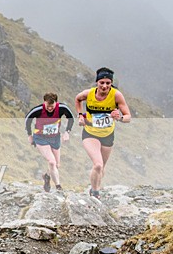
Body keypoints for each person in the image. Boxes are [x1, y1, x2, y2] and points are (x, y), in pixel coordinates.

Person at [74, 67, 132, 199]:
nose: (105, 86)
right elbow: (78, 99)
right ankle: (95, 193)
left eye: (108, 83)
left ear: (111, 84)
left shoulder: (116, 95)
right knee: (98, 164)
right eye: (102, 83)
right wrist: (80, 115)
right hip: (90, 133)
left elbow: (128, 117)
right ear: (97, 83)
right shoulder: (89, 93)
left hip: (107, 135)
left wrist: (120, 118)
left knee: (101, 168)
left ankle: (95, 188)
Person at [24, 92, 74, 192]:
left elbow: (71, 118)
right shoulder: (38, 110)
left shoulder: (62, 108)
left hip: (55, 138)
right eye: (48, 106)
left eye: (52, 106)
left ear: (56, 103)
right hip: (41, 138)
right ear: (44, 102)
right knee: (51, 162)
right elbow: (27, 120)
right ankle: (58, 187)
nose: (50, 108)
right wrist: (29, 135)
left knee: (57, 165)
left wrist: (67, 132)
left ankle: (47, 176)